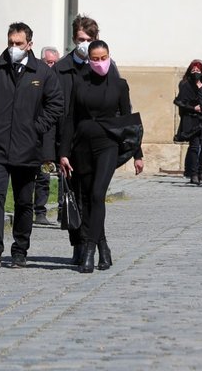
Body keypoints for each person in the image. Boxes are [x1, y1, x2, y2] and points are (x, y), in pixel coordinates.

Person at [0, 22, 64, 268]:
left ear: (29, 44)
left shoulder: (42, 73)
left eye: (19, 44)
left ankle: (20, 249)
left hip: (28, 147)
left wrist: (36, 127)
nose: (14, 48)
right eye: (11, 43)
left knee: (24, 200)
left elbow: (56, 104)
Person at [59, 40, 143, 273]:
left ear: (109, 56)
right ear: (89, 59)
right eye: (94, 58)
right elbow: (70, 119)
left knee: (98, 194)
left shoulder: (119, 85)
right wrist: (63, 153)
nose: (99, 62)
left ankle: (88, 250)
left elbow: (129, 121)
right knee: (87, 198)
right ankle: (103, 247)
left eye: (103, 57)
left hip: (108, 145)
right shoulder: (79, 82)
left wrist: (138, 154)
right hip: (82, 147)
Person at [57, 14, 102, 260]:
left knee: (93, 195)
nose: (83, 43)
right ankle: (78, 243)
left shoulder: (102, 67)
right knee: (73, 195)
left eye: (88, 39)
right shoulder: (62, 69)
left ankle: (92, 242)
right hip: (70, 143)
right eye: (79, 39)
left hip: (95, 143)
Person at [31, 45, 61, 226]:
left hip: (53, 135)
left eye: (54, 62)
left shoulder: (58, 78)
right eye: (48, 62)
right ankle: (38, 210)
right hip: (38, 133)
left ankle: (61, 210)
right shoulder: (36, 76)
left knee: (52, 173)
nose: (51, 65)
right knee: (40, 174)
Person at [174, 60, 202, 185]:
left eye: (198, 71)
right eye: (193, 71)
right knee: (194, 146)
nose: (196, 73)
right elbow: (180, 101)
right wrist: (194, 107)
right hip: (191, 118)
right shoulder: (185, 85)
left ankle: (201, 172)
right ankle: (193, 173)